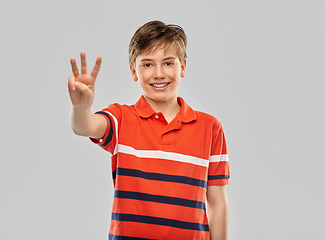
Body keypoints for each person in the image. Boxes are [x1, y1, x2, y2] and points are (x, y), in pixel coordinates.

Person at [68, 20, 230, 240]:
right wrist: (81, 107)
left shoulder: (210, 128)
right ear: (133, 71)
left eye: (168, 63)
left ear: (182, 66)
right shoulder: (121, 118)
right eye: (147, 64)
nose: (159, 73)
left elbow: (217, 202)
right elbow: (85, 126)